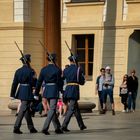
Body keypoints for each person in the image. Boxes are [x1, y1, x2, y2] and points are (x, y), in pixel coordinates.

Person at [35, 53, 63, 135]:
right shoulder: (57, 69)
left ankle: (57, 128)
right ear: (54, 59)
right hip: (54, 89)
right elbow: (59, 82)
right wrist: (61, 91)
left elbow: (39, 81)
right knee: (52, 109)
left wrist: (36, 93)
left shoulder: (43, 69)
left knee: (52, 110)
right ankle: (45, 128)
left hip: (46, 90)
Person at [10, 54, 38, 134]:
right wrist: (36, 91)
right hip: (27, 90)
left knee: (26, 110)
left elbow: (14, 83)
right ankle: (16, 127)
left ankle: (31, 127)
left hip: (21, 90)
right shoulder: (31, 71)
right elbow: (34, 82)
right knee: (23, 109)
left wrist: (12, 94)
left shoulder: (18, 71)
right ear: (29, 61)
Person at [61, 55, 87, 132]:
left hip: (67, 89)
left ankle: (81, 125)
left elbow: (62, 78)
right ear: (76, 60)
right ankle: (64, 126)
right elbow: (81, 82)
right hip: (74, 90)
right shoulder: (78, 69)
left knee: (76, 109)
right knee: (71, 109)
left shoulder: (66, 69)